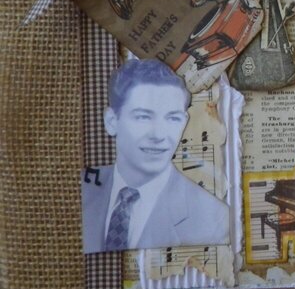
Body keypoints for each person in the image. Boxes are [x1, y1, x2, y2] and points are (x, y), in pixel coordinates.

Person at [81, 59, 229, 254]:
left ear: (184, 122)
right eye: (143, 117)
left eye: (173, 118)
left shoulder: (213, 218)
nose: (159, 135)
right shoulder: (83, 187)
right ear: (111, 121)